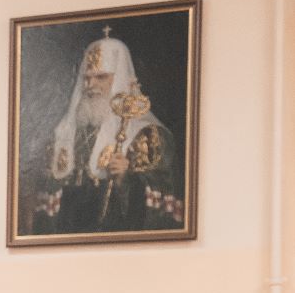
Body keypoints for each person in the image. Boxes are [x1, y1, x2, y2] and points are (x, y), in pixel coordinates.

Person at [31, 30, 183, 234]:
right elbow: (45, 202)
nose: (90, 86)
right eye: (86, 78)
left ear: (118, 79)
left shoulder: (147, 136)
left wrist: (125, 179)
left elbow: (163, 210)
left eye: (101, 77)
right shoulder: (64, 135)